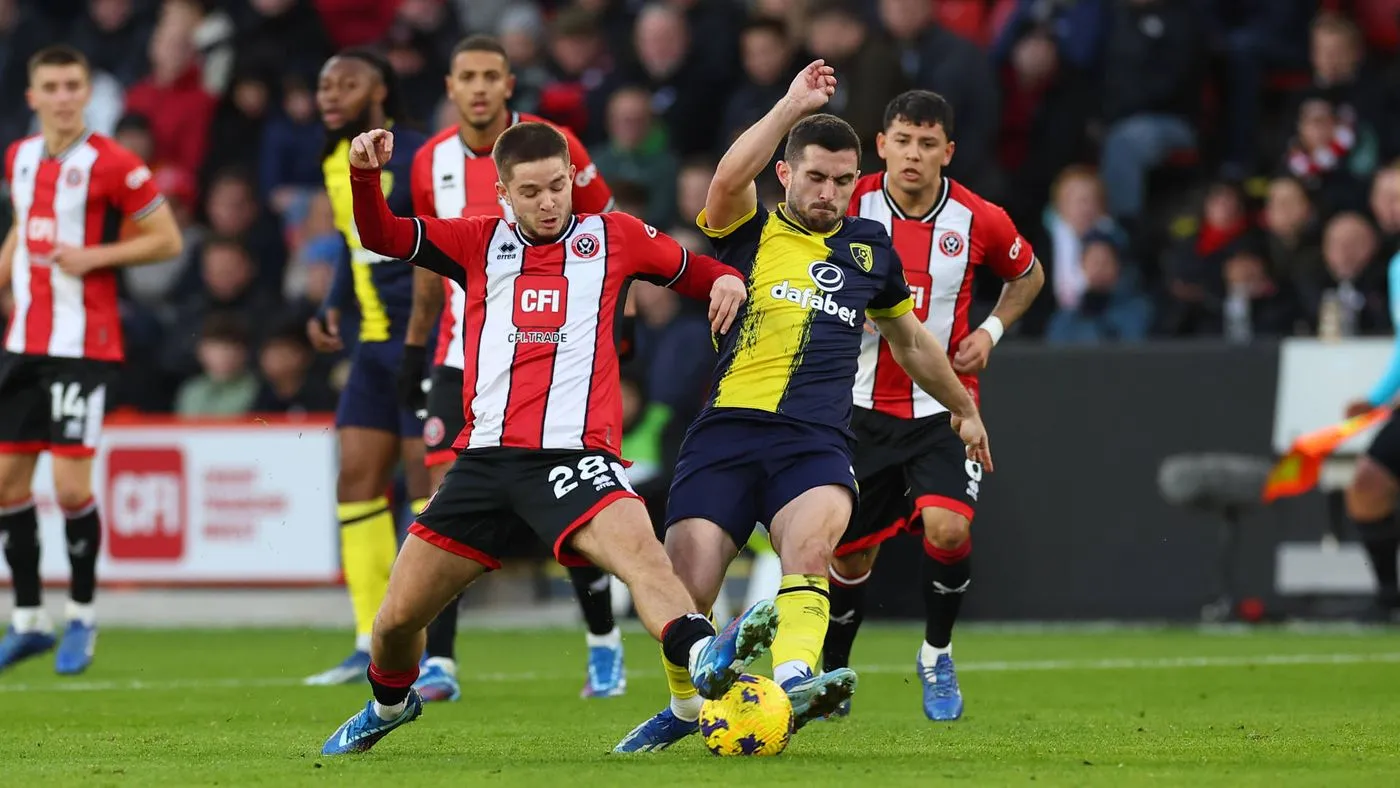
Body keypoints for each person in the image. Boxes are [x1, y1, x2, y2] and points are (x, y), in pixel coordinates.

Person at [321, 122, 769, 755]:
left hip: (575, 457)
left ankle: (702, 655)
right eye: (530, 192)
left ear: (571, 179)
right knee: (394, 623)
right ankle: (391, 704)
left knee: (642, 556)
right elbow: (381, 235)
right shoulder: (476, 240)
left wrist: (723, 279)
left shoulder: (614, 237)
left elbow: (697, 271)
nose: (548, 201)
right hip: (482, 464)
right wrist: (365, 178)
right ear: (504, 194)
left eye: (558, 186)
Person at [615, 62, 993, 753]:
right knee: (682, 591)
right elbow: (728, 179)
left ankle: (794, 682)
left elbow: (909, 341)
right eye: (815, 177)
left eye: (844, 181)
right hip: (726, 432)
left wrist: (963, 408)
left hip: (814, 441)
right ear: (786, 175)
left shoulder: (868, 248)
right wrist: (791, 104)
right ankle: (685, 702)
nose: (830, 192)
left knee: (812, 548)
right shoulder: (747, 229)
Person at [405, 35, 623, 703]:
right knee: (446, 505)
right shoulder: (428, 163)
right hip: (458, 357)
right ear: (450, 86)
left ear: (509, 84)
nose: (477, 87)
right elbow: (426, 260)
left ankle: (603, 645)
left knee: (572, 507)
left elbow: (608, 235)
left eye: (489, 76)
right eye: (466, 76)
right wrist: (415, 352)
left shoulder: (555, 148)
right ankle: (440, 661)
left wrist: (622, 327)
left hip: (549, 355)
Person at [825, 90, 1045, 721]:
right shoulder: (849, 200)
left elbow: (1027, 274)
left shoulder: (977, 219)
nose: (914, 155)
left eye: (928, 144)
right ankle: (835, 668)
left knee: (949, 530)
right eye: (903, 141)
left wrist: (991, 331)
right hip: (857, 408)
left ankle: (936, 654)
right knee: (849, 554)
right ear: (882, 143)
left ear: (948, 152)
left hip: (943, 407)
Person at [0, 45, 182, 674]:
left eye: (72, 84)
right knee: (7, 485)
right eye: (50, 86)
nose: (62, 96)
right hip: (24, 343)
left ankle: (82, 616)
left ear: (86, 91)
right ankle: (27, 620)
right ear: (33, 96)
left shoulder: (115, 164)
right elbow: (24, 228)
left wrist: (95, 258)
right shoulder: (19, 157)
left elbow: (168, 239)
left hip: (84, 346)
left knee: (71, 485)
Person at [302, 49, 432, 686]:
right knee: (355, 481)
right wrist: (331, 303)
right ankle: (366, 637)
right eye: (324, 83)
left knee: (423, 488)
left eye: (346, 82)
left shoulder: (416, 156)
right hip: (369, 345)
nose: (330, 93)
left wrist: (423, 336)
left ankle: (426, 642)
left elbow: (426, 243)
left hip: (420, 340)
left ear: (379, 88)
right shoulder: (335, 160)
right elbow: (362, 245)